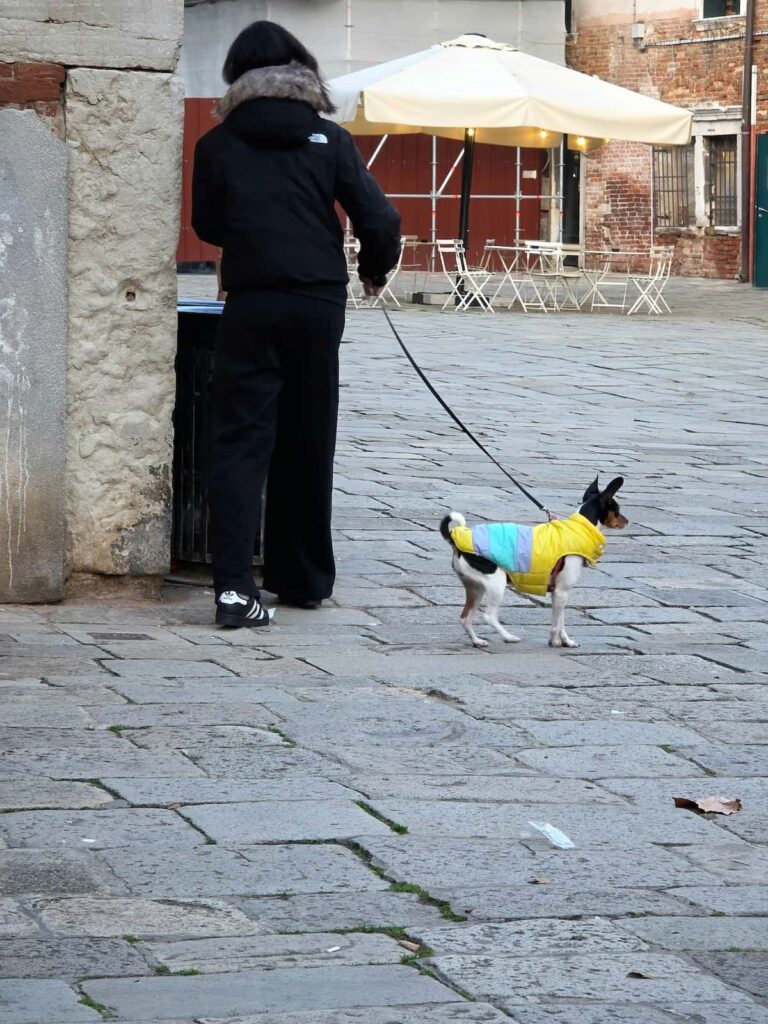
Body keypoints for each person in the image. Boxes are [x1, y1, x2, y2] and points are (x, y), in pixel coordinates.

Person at [192, 21, 401, 628]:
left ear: (237, 77)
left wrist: (256, 233)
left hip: (252, 299)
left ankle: (233, 588)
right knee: (309, 436)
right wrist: (376, 271)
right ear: (303, 72)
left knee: (239, 440)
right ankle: (301, 579)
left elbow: (208, 225)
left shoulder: (216, 144)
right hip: (316, 302)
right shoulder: (329, 138)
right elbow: (379, 218)